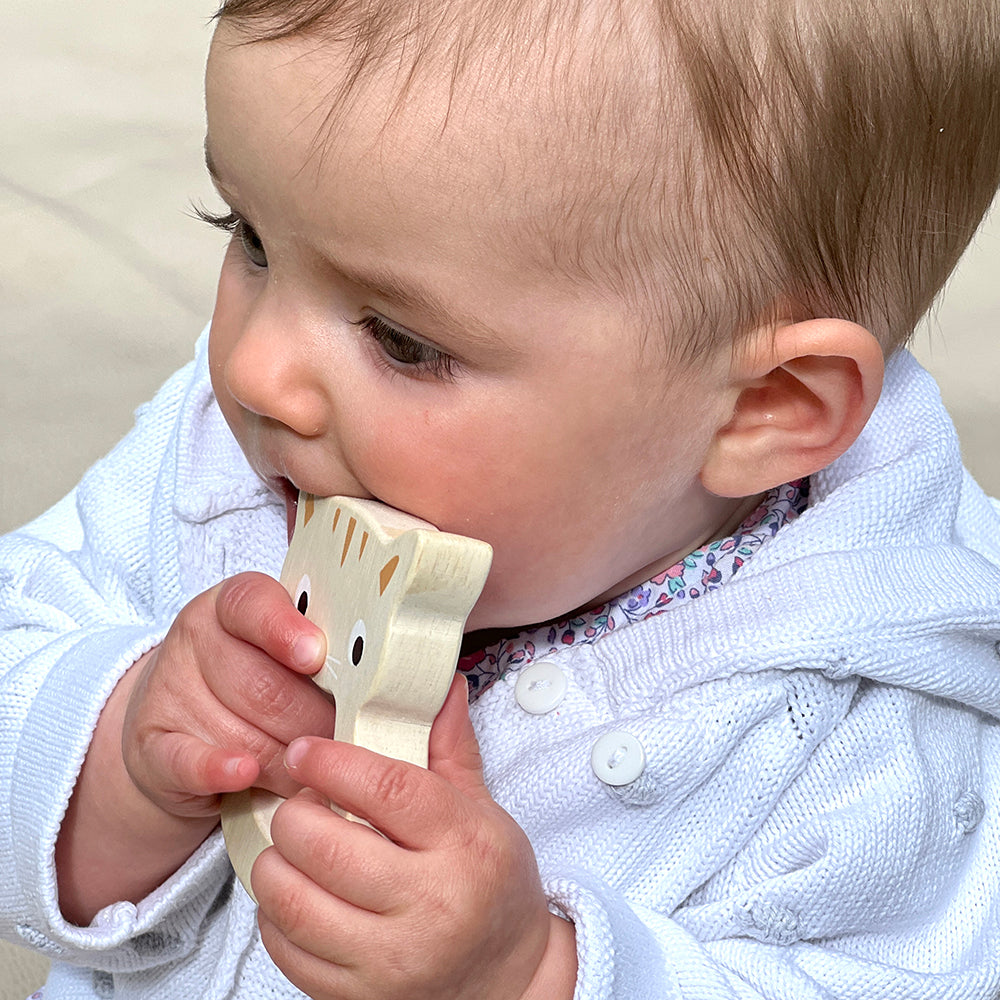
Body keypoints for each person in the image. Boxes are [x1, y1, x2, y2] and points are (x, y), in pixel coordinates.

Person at [3, 0, 1000, 997]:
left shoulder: (872, 740)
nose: (257, 370)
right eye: (253, 240)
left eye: (401, 340)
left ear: (765, 409)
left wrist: (530, 975)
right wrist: (121, 758)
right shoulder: (218, 468)